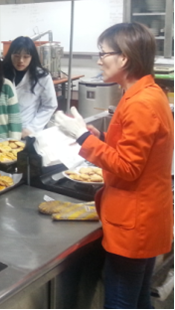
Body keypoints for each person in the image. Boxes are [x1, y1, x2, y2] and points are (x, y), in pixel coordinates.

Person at [55, 23, 174, 310]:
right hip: (147, 217)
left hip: (134, 223)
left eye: (103, 53)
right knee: (139, 299)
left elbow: (129, 167)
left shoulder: (141, 103)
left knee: (121, 303)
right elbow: (138, 150)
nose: (99, 60)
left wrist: (82, 137)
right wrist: (101, 138)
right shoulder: (146, 93)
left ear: (124, 58)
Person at [3, 36, 57, 137]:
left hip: (27, 128)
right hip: (3, 128)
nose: (21, 60)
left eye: (26, 56)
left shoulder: (42, 76)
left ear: (32, 57)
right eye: (16, 56)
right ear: (10, 55)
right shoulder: (2, 72)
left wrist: (31, 129)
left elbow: (49, 105)